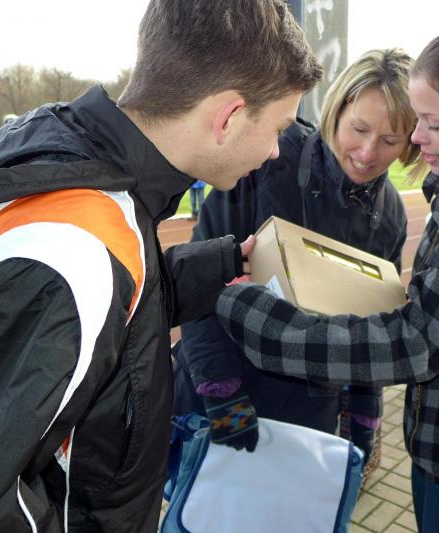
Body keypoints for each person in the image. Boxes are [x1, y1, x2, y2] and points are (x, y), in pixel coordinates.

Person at [0, 1, 321, 531]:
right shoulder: (74, 249)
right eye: (279, 128)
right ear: (229, 117)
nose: (274, 153)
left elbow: (113, 326)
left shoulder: (82, 159)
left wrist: (218, 263)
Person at [213, 25, 439, 533]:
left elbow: (415, 339)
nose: (417, 139)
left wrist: (262, 321)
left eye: (431, 125)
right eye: (418, 122)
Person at [174, 48, 422, 466]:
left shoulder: (392, 214)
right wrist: (221, 392)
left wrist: (364, 415)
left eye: (389, 141)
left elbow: (373, 325)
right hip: (221, 404)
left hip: (309, 419)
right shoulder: (267, 160)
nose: (367, 153)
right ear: (337, 112)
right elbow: (201, 278)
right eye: (359, 129)